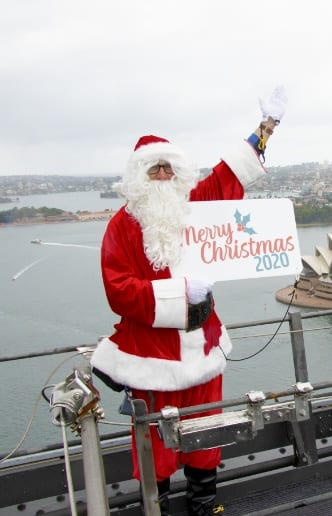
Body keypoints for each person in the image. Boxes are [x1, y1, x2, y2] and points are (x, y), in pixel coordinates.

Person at [90, 87, 287, 515]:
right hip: (152, 355)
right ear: (139, 177)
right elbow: (117, 289)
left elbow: (225, 176)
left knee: (207, 429)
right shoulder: (121, 228)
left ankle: (204, 503)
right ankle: (156, 505)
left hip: (202, 344)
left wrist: (266, 128)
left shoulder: (194, 204)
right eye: (154, 170)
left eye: (168, 169)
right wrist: (178, 297)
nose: (162, 177)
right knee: (156, 442)